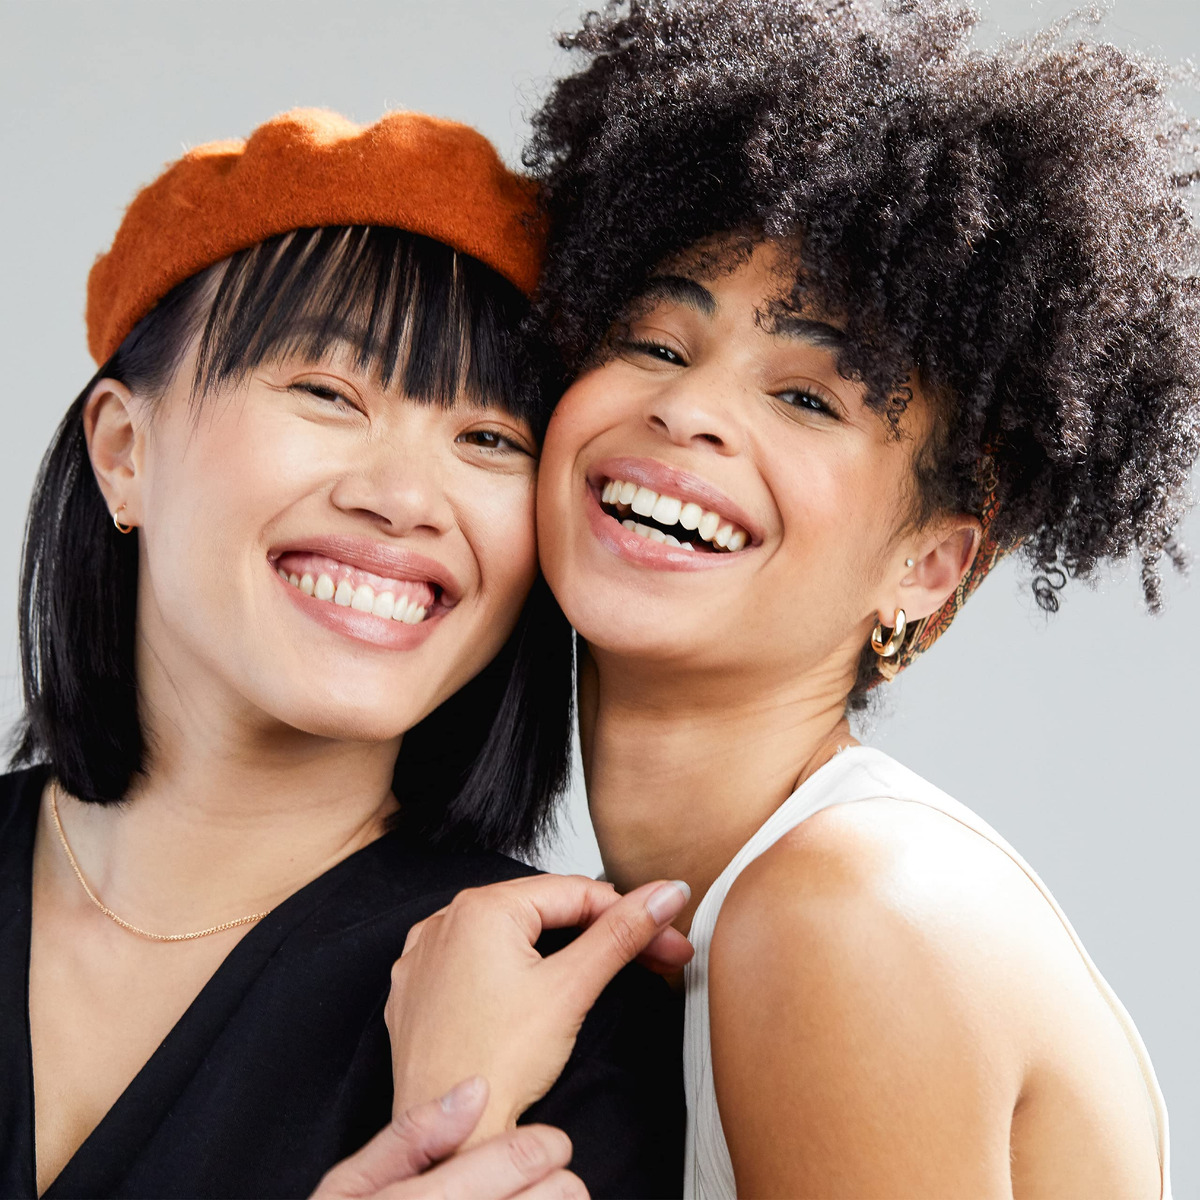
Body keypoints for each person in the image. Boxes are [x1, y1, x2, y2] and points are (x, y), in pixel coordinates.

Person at [382, 2, 1200, 1196]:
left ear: (928, 568)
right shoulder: (726, 921)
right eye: (656, 344)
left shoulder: (839, 912)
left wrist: (452, 1115)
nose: (688, 411)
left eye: (809, 398)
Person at [0, 107, 692, 1200]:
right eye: (328, 393)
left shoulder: (553, 1018)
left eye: (490, 439)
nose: (404, 498)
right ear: (125, 450)